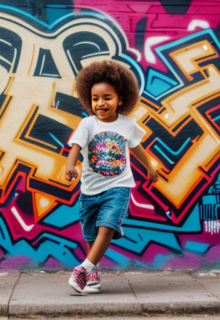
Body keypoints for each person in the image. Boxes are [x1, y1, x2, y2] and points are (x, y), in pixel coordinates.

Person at [65, 60, 158, 294]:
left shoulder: (128, 125)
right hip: (89, 188)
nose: (100, 103)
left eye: (107, 97)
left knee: (106, 226)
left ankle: (84, 268)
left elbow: (137, 148)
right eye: (95, 99)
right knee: (90, 233)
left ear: (121, 99)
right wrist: (70, 164)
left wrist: (150, 167)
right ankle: (92, 276)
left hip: (118, 186)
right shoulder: (87, 124)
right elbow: (76, 146)